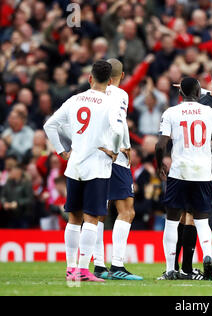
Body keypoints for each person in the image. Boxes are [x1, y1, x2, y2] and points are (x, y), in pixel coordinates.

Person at [43, 60, 124, 282]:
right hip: (97, 166)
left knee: (73, 217)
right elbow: (118, 131)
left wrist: (61, 151)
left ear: (90, 78)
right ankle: (83, 269)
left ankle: (71, 268)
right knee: (92, 217)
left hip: (74, 164)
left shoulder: (74, 99)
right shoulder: (110, 102)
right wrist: (115, 151)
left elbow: (49, 125)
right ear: (110, 81)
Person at [155, 77, 212, 280]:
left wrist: (160, 165)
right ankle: (208, 255)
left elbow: (160, 145)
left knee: (173, 221)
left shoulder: (171, 112)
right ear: (200, 92)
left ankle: (170, 270)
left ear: (180, 94)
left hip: (179, 171)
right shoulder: (210, 113)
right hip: (202, 172)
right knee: (201, 220)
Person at [92, 58, 142, 281]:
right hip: (116, 157)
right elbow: (119, 121)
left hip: (94, 156)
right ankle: (118, 266)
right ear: (121, 77)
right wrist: (125, 146)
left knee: (98, 211)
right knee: (127, 210)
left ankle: (99, 265)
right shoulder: (120, 94)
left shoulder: (90, 93)